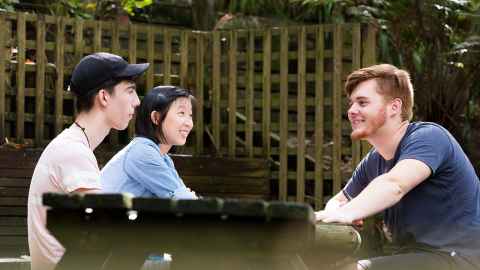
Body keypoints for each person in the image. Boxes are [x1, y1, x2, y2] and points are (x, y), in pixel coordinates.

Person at [315, 64, 480, 270]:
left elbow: (394, 184)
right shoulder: (374, 161)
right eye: (351, 104)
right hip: (414, 258)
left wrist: (348, 212)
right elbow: (339, 201)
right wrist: (337, 212)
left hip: (458, 260)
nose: (351, 111)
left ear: (394, 107)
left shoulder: (429, 138)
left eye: (362, 102)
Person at [27, 52, 149, 270]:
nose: (137, 101)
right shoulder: (73, 152)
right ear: (104, 97)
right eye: (130, 91)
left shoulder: (73, 146)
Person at [101, 85, 197, 199]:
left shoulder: (163, 158)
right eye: (181, 113)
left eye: (190, 115)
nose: (189, 123)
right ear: (156, 117)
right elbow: (183, 200)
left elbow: (182, 196)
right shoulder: (142, 152)